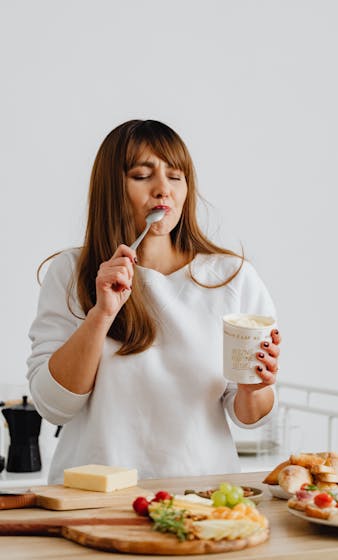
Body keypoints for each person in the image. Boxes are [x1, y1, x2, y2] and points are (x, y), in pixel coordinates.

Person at [27, 119, 281, 484]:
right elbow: (54, 406)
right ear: (112, 188)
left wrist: (255, 388)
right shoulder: (71, 272)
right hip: (91, 500)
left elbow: (248, 416)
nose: (163, 189)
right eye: (142, 175)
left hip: (201, 497)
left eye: (176, 176)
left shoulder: (232, 278)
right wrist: (101, 315)